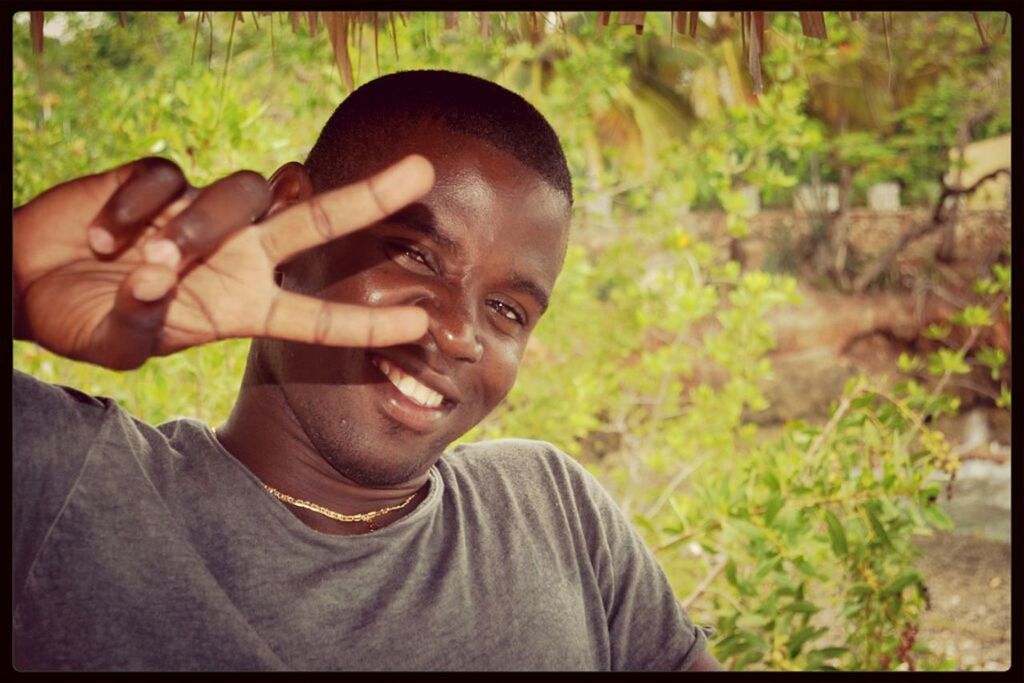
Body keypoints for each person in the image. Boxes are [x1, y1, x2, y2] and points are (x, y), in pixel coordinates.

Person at [13, 70, 722, 671]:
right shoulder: (69, 481)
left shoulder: (554, 508)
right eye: (415, 255)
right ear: (291, 214)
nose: (455, 331)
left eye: (507, 308)